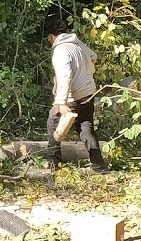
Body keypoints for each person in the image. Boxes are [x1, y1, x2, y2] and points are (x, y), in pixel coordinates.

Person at [45, 17, 107, 173]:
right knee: (86, 128)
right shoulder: (78, 45)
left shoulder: (60, 50)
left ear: (52, 37)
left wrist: (61, 102)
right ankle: (99, 165)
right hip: (88, 94)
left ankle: (54, 165)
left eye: (49, 39)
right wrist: (85, 72)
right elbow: (93, 56)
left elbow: (64, 75)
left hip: (73, 96)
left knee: (52, 123)